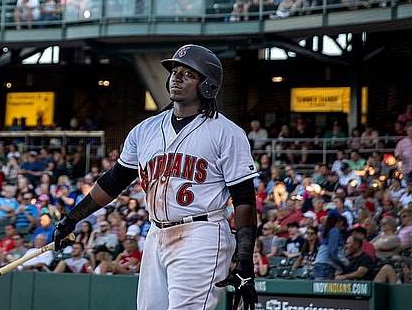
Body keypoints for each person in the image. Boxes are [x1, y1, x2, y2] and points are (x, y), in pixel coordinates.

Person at [53, 44, 258, 310]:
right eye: (175, 71)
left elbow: (244, 198)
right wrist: (72, 219)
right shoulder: (145, 129)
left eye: (188, 73)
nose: (177, 77)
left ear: (208, 85)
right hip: (155, 234)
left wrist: (245, 259)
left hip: (201, 233)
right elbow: (114, 181)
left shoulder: (225, 132)